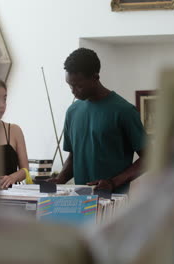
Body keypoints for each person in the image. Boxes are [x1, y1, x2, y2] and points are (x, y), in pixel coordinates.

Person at [49, 48, 146, 193]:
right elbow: (74, 156)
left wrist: (113, 182)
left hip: (113, 204)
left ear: (95, 77)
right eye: (70, 85)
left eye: (78, 85)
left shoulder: (124, 111)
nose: (73, 91)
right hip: (80, 202)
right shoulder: (72, 112)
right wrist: (60, 179)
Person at [0, 80, 30, 188]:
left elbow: (25, 170)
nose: (2, 105)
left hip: (11, 198)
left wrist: (12, 177)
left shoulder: (14, 130)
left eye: (4, 99)